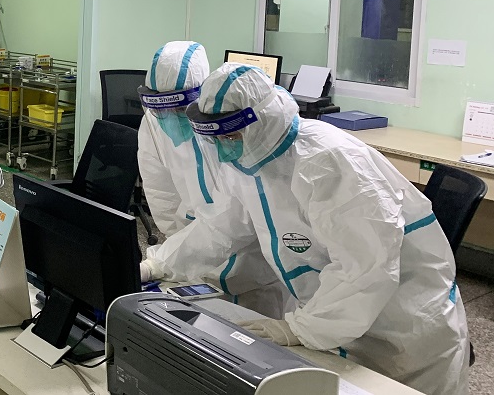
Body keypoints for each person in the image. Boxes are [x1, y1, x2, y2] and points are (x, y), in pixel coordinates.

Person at [142, 63, 470, 395]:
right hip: (341, 324)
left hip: (403, 330)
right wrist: (161, 263)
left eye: (230, 135)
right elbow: (221, 226)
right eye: (217, 138)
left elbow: (365, 268)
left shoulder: (330, 163)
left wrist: (301, 329)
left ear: (261, 122)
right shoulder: (252, 162)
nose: (226, 149)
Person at [137, 42, 289, 317]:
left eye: (180, 109)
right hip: (190, 257)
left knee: (257, 342)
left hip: (252, 265)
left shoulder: (229, 130)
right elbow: (162, 195)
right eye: (161, 109)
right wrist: (177, 255)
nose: (169, 119)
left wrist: (162, 261)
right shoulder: (152, 124)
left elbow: (233, 219)